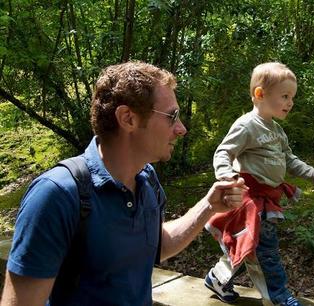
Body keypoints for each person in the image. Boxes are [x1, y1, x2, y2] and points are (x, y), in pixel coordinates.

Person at [1, 61, 247, 306]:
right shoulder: (57, 195)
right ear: (128, 118)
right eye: (172, 116)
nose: (181, 129)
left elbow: (157, 245)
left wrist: (209, 206)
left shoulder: (147, 179)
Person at [203, 62, 314, 306]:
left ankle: (217, 279)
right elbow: (223, 152)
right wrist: (227, 176)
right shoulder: (247, 125)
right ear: (260, 94)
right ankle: (278, 298)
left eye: (292, 97)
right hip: (250, 201)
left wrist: (312, 172)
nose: (290, 102)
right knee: (265, 251)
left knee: (249, 247)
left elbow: (289, 159)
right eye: (285, 96)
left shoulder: (278, 131)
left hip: (269, 200)